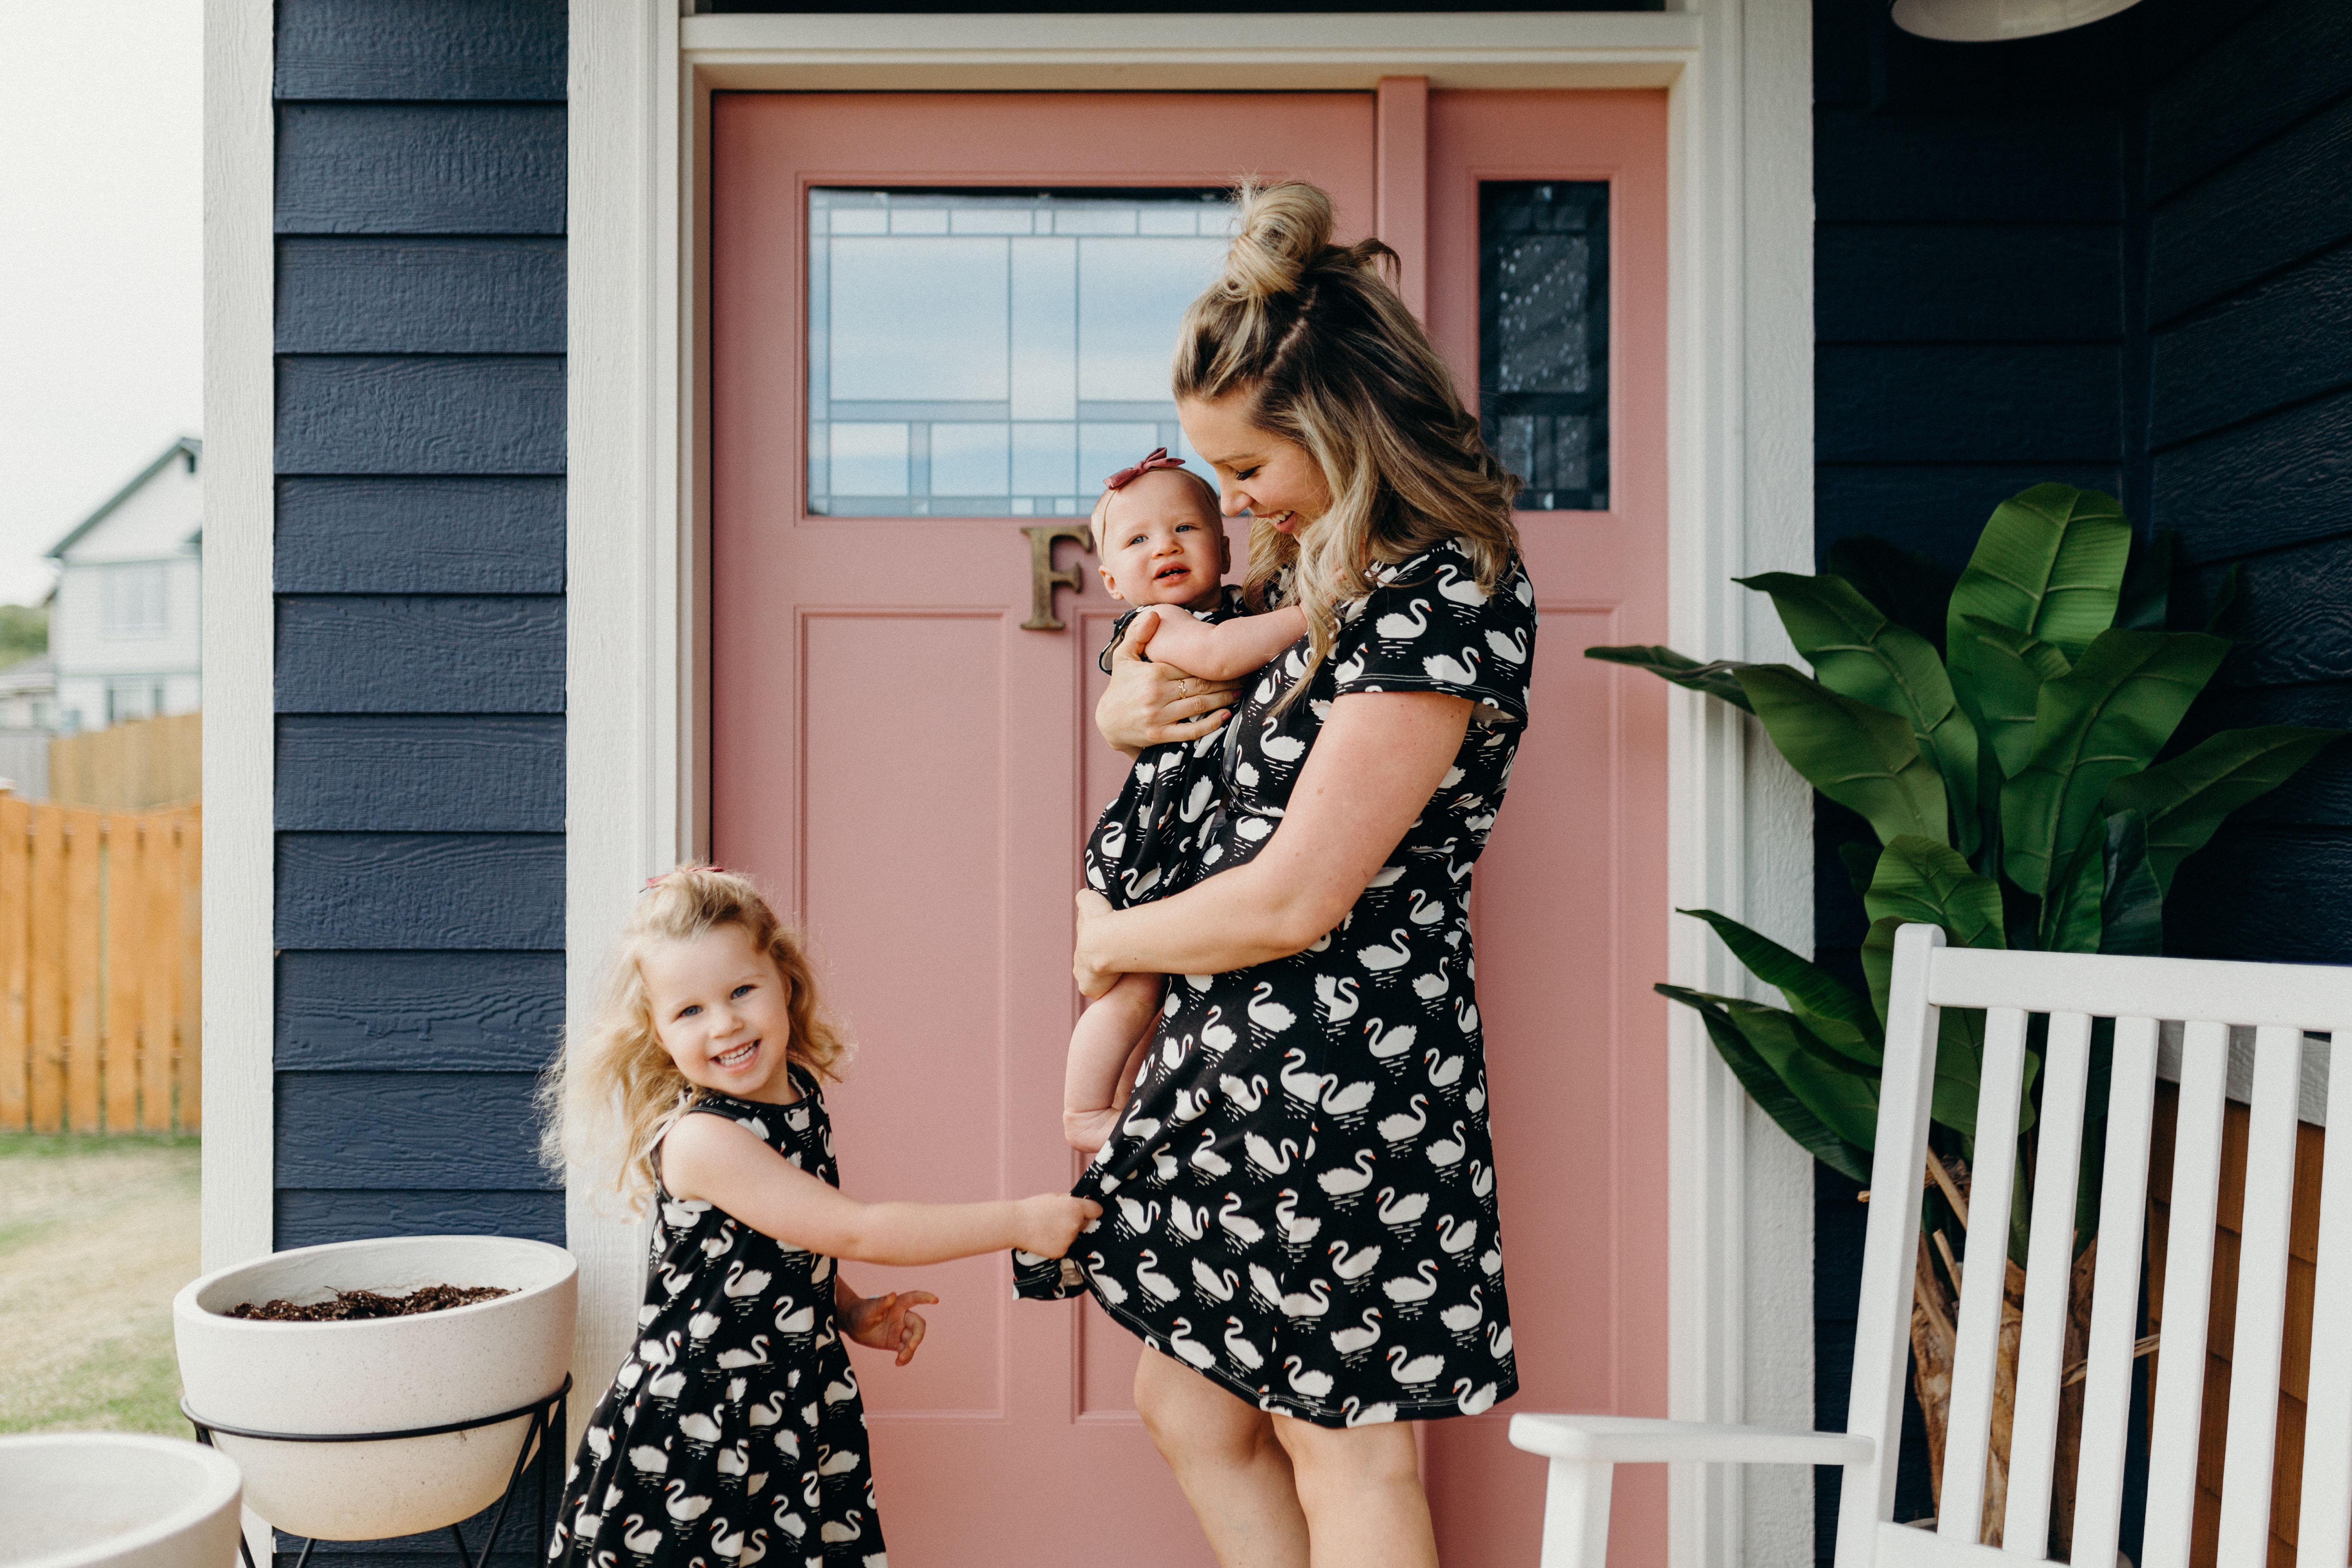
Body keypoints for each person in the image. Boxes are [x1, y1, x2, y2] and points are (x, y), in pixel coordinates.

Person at [1042, 179, 1537, 1568]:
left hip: (1341, 1080)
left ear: (1339, 433)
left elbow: (1294, 895)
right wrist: (1115, 701)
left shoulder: (1442, 590)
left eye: (1250, 470)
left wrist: (1115, 942)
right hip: (1232, 1061)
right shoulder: (1318, 572)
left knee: (1349, 1447)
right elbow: (1178, 664)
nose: (1236, 504)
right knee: (1186, 1399)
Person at [539, 865, 1099, 1567]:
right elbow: (853, 1228)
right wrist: (1019, 1221)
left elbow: (783, 1243)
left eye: (742, 990)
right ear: (656, 1033)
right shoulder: (704, 1139)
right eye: (690, 1011)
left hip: (793, 1402)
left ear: (785, 980)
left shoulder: (797, 1093)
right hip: (700, 1426)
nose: (726, 1024)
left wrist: (848, 1309)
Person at [1061, 448, 1308, 1154]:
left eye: (1185, 529)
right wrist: (1318, 613)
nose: (1164, 545)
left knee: (1163, 997)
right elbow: (1229, 656)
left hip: (1196, 829)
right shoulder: (1157, 625)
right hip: (1156, 834)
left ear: (1225, 546)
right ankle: (1082, 1111)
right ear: (1111, 580)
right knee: (1134, 990)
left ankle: (1137, 1098)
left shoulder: (1234, 608)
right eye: (1138, 540)